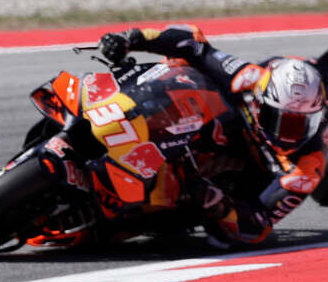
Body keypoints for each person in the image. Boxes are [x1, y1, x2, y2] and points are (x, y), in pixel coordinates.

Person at [99, 24, 328, 245]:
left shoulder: (306, 170)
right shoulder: (248, 78)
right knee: (180, 66)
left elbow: (257, 226)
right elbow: (192, 41)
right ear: (260, 103)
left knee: (215, 232)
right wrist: (130, 39)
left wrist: (219, 205)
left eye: (303, 124)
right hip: (197, 131)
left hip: (224, 187)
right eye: (281, 121)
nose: (290, 135)